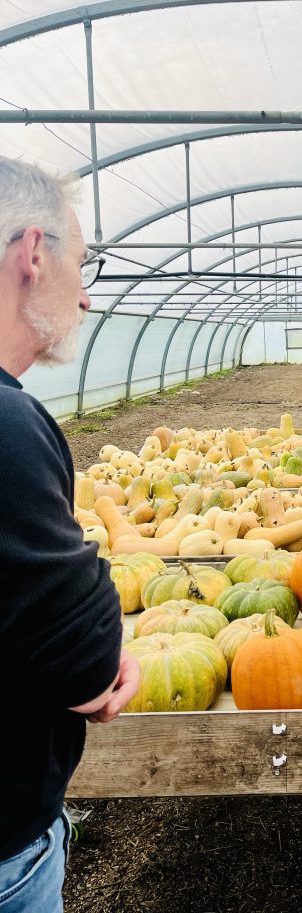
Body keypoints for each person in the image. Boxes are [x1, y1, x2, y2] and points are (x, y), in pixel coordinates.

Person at [0, 157, 139, 912]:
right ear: (31, 254)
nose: (86, 294)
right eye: (81, 264)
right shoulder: (7, 425)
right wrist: (108, 659)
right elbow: (88, 670)